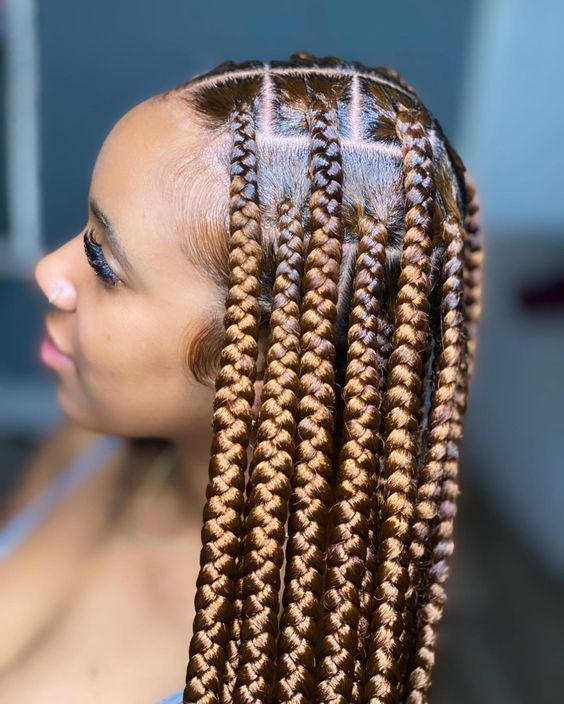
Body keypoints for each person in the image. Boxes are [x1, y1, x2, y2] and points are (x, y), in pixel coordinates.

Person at [0, 52, 483, 703]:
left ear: (254, 362)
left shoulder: (282, 671)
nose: (48, 272)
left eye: (102, 260)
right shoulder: (92, 440)